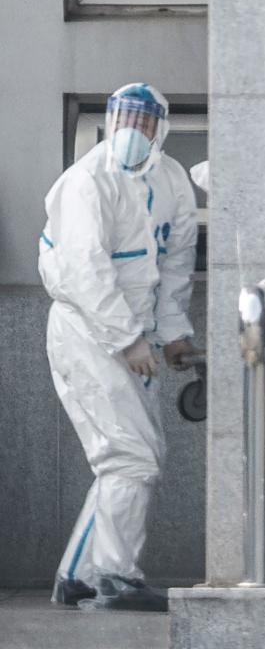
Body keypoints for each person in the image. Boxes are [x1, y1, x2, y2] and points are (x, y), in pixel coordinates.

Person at [39, 83, 199, 611]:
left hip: (138, 336)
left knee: (131, 458)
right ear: (110, 120)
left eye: (145, 120)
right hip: (88, 330)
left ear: (162, 126)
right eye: (124, 117)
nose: (134, 129)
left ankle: (79, 576)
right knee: (131, 459)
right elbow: (85, 272)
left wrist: (174, 335)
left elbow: (174, 269)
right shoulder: (85, 181)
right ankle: (114, 577)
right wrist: (128, 339)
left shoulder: (173, 181)